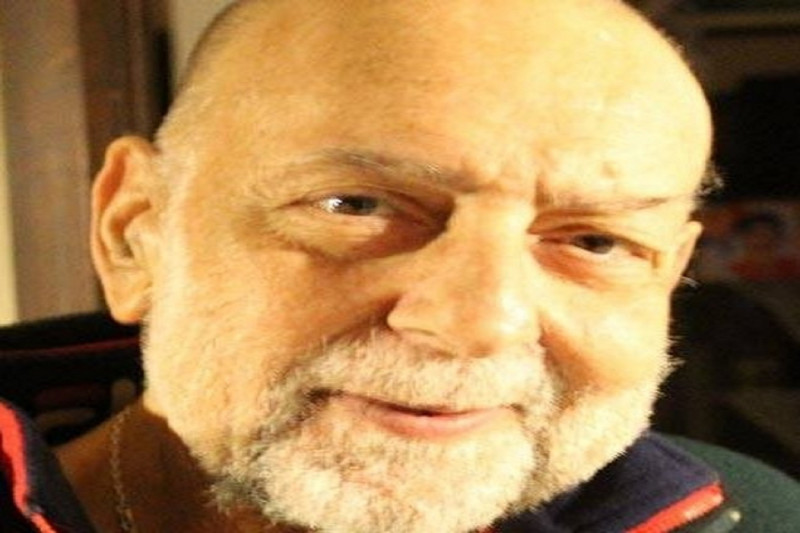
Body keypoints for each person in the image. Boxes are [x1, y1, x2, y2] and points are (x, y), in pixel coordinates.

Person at [2, 0, 800, 531]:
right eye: (357, 205)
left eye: (595, 242)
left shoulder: (760, 517)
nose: (481, 321)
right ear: (135, 234)